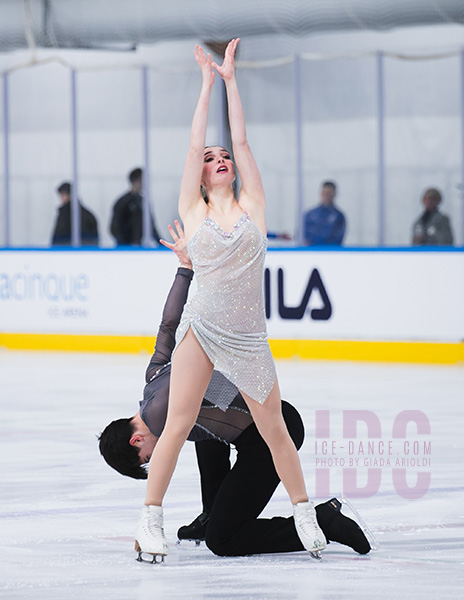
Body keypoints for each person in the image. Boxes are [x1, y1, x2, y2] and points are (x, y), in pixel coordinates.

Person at [136, 39, 327, 562]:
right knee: (179, 421)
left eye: (224, 158)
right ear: (199, 172)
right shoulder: (191, 212)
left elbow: (241, 140)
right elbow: (196, 139)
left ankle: (306, 511)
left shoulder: (254, 206)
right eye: (210, 158)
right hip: (203, 329)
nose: (219, 159)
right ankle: (149, 519)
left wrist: (231, 80)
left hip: (247, 336)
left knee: (275, 429)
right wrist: (204, 85)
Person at [98, 224, 372, 559]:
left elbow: (183, 340)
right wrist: (184, 268)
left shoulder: (160, 414)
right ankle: (212, 512)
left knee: (223, 540)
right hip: (259, 424)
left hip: (269, 434)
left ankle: (325, 521)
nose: (155, 457)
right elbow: (168, 324)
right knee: (199, 434)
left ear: (136, 439)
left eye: (147, 458)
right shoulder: (152, 378)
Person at [110, 167, 160, 246]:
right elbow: (114, 228)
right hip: (125, 248)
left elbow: (151, 227)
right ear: (138, 180)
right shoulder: (122, 203)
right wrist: (125, 245)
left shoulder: (143, 202)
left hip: (139, 246)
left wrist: (162, 244)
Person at [51, 182, 99, 246]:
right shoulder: (87, 214)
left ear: (70, 195)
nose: (61, 199)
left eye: (63, 195)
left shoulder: (66, 214)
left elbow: (59, 236)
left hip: (67, 251)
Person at [303, 181, 346, 246]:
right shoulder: (310, 214)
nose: (326, 196)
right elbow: (303, 235)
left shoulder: (338, 216)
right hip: (311, 252)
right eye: (324, 193)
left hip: (329, 252)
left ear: (334, 194)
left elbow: (337, 238)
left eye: (329, 193)